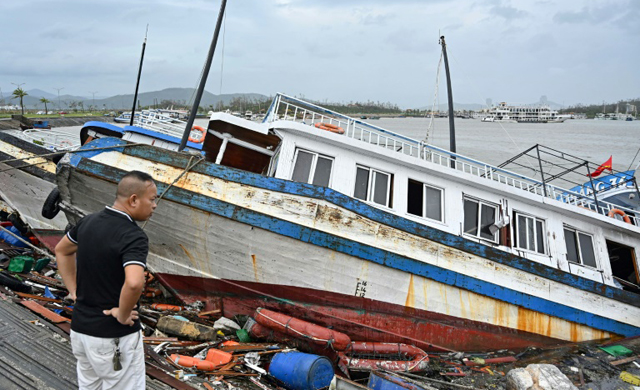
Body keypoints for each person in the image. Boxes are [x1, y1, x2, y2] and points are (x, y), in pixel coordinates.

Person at [56, 170, 158, 389]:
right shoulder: (134, 236)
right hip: (113, 337)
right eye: (152, 199)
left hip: (81, 330)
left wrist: (74, 292)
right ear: (133, 199)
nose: (154, 206)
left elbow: (62, 250)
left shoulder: (88, 222)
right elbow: (134, 282)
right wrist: (122, 315)